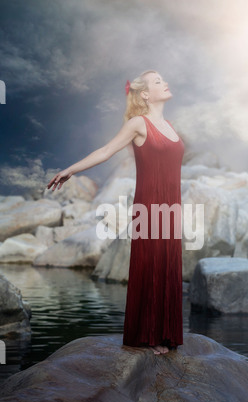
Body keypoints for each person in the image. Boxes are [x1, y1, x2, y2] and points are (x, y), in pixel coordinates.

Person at [47, 70, 185, 355]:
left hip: (172, 207)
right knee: (151, 263)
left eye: (163, 79)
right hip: (149, 203)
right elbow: (106, 150)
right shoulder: (138, 123)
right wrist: (70, 170)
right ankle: (147, 334)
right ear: (145, 94)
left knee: (167, 264)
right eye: (158, 81)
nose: (165, 82)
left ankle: (167, 332)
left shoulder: (170, 125)